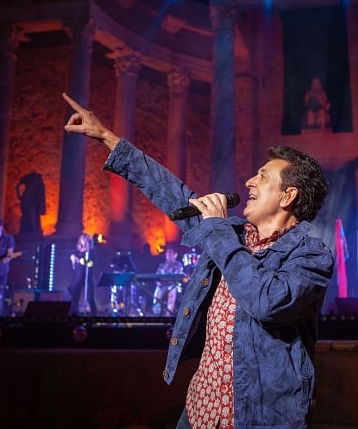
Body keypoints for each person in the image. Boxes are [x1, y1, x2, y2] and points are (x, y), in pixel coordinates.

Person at [62, 92, 333, 429]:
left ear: (288, 195)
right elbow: (171, 191)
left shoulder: (311, 256)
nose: (249, 181)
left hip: (258, 418)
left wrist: (217, 230)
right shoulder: (229, 234)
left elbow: (267, 302)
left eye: (262, 176)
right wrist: (106, 137)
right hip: (201, 412)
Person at [69, 232, 97, 316]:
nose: (85, 241)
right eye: (83, 239)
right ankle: (74, 315)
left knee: (90, 298)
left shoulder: (91, 251)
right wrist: (73, 258)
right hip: (78, 276)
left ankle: (93, 316)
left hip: (88, 277)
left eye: (87, 239)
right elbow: (72, 257)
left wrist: (79, 260)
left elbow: (90, 263)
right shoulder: (77, 251)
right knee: (74, 297)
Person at [152, 247, 185, 316]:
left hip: (172, 285)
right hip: (162, 285)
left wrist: (172, 265)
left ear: (174, 254)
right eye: (168, 253)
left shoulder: (178, 264)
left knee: (171, 296)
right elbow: (157, 275)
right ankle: (156, 313)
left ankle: (168, 315)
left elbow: (180, 274)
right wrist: (158, 283)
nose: (169, 255)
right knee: (157, 296)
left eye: (171, 253)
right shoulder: (162, 265)